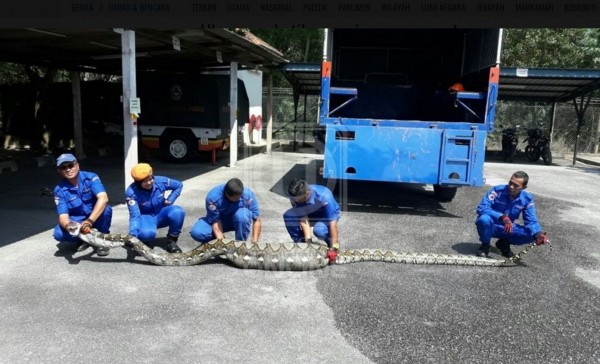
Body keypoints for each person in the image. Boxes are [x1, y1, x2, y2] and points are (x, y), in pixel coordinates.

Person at [475, 170, 549, 258]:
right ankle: (485, 245)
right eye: (510, 182)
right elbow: (482, 207)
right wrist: (501, 216)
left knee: (531, 234)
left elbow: (531, 221)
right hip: (491, 225)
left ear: (523, 187)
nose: (511, 186)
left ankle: (504, 243)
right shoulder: (497, 191)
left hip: (507, 228)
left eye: (516, 185)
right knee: (483, 219)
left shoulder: (526, 199)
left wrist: (538, 234)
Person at [52, 153, 112, 256]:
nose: (68, 169)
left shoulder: (91, 177)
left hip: (95, 218)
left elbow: (103, 198)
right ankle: (85, 239)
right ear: (59, 171)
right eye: (63, 167)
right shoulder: (59, 190)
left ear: (77, 166)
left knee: (106, 209)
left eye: (70, 165)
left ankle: (103, 240)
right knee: (58, 234)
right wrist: (69, 226)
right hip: (78, 221)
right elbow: (63, 216)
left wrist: (89, 221)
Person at [126, 163, 185, 253]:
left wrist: (170, 200)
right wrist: (132, 235)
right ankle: (144, 239)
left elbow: (179, 185)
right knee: (147, 234)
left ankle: (172, 241)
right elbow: (135, 215)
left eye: (150, 179)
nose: (149, 183)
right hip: (146, 217)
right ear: (138, 183)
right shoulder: (131, 193)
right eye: (145, 181)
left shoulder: (161, 181)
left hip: (161, 212)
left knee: (178, 212)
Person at [283, 178, 341, 263]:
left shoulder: (324, 196)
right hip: (311, 214)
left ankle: (330, 243)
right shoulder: (296, 196)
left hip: (325, 216)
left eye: (297, 199)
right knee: (289, 216)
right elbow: (303, 218)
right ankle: (300, 243)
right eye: (293, 198)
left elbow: (333, 223)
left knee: (319, 230)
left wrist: (335, 247)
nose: (294, 201)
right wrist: (308, 243)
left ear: (308, 194)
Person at [190, 178, 262, 244]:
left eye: (240, 196)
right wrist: (223, 243)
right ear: (227, 194)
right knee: (197, 232)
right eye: (235, 198)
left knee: (243, 215)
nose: (239, 199)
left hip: (238, 221)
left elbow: (257, 220)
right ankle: (215, 244)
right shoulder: (213, 198)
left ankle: (240, 245)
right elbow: (215, 221)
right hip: (220, 221)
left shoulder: (247, 195)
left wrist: (254, 242)